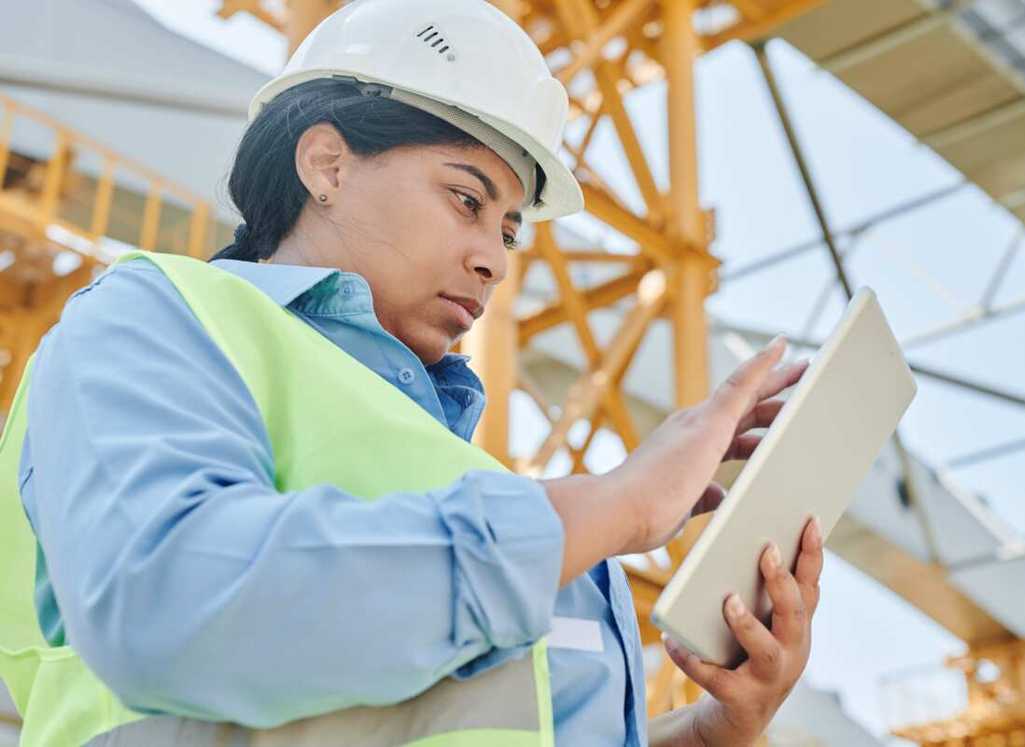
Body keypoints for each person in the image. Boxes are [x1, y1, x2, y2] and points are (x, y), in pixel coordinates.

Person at [0, 0, 824, 745]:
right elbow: (171, 600)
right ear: (326, 165)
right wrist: (619, 504)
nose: (492, 260)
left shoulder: (468, 474)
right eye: (467, 200)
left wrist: (713, 731)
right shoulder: (157, 317)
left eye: (509, 231)